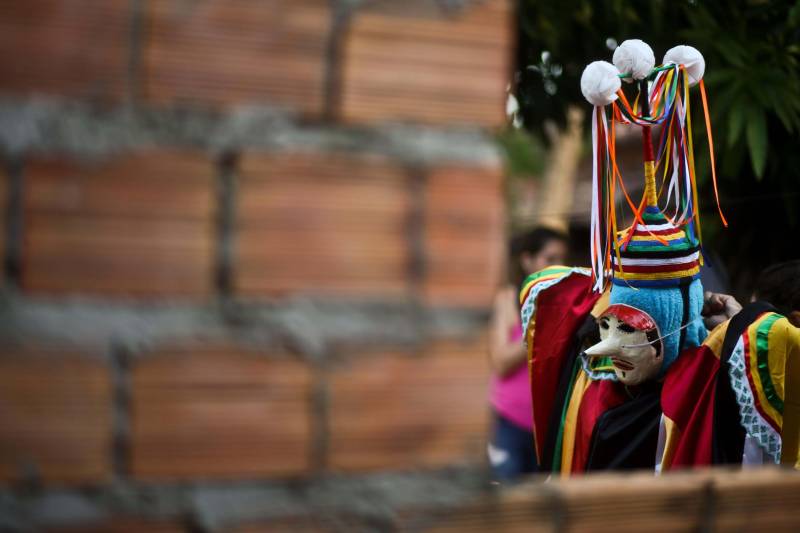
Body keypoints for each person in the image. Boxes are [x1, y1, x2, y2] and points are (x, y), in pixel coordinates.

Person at [487, 226, 568, 481]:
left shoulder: (565, 302)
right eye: (550, 259)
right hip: (509, 423)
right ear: (527, 260)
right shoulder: (507, 299)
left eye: (562, 260)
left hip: (547, 427)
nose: (558, 267)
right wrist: (537, 331)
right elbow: (500, 362)